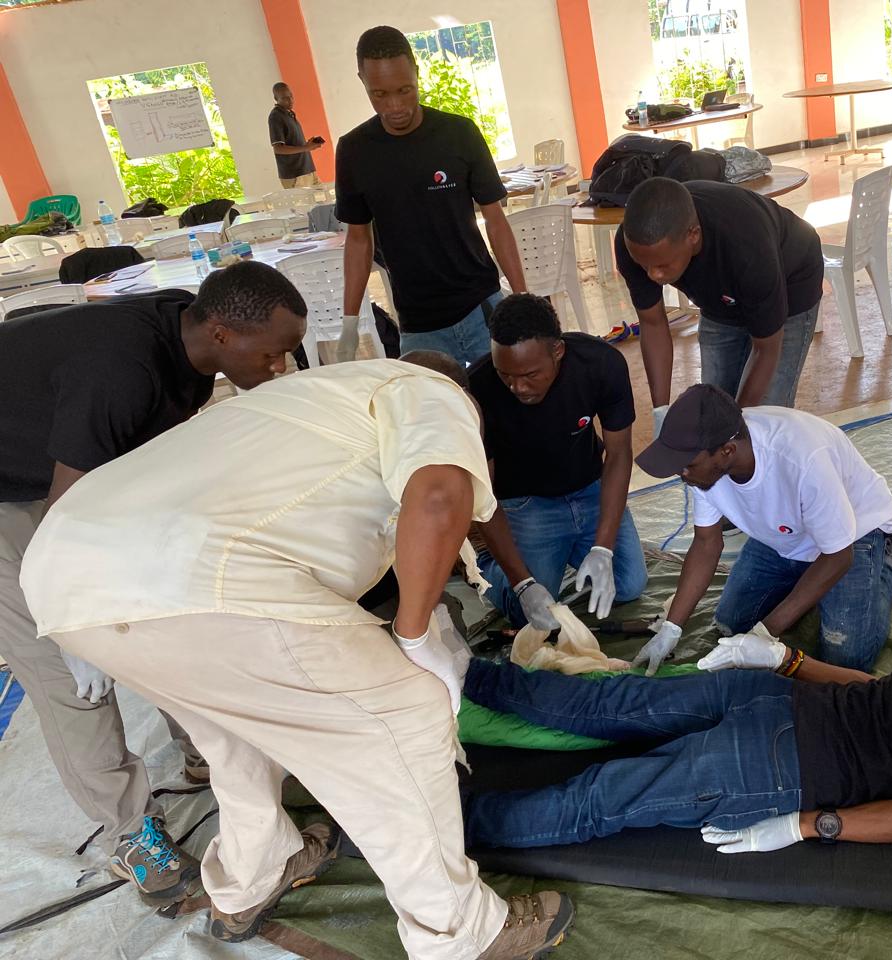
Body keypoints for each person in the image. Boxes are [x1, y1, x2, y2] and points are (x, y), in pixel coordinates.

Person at [20, 356, 573, 959]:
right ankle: (461, 933)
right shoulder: (428, 389)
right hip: (196, 579)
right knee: (403, 715)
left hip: (66, 576)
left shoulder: (305, 403)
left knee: (238, 733)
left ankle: (251, 878)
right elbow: (440, 495)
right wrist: (416, 639)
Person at [0, 262, 306, 904]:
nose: (280, 365)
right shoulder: (121, 369)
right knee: (67, 677)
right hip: (14, 495)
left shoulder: (186, 330)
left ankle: (204, 750)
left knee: (163, 615)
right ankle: (131, 833)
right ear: (223, 334)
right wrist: (74, 626)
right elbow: (62, 515)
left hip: (68, 472)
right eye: (274, 353)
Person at [463, 598, 892, 851]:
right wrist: (786, 659)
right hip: (770, 700)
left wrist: (811, 825)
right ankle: (457, 672)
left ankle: (438, 827)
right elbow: (889, 691)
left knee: (603, 796)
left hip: (787, 770)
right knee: (604, 706)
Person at [629, 384, 892, 674]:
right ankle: (806, 580)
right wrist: (671, 628)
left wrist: (763, 636)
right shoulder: (704, 465)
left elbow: (838, 557)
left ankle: (891, 556)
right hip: (782, 535)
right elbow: (707, 543)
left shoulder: (802, 458)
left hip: (854, 534)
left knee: (845, 657)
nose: (682, 474)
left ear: (727, 451)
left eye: (688, 466)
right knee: (732, 625)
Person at [336, 25, 528, 366]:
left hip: (481, 308)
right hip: (419, 325)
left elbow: (496, 221)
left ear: (417, 73)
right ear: (362, 81)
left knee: (509, 409)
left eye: (404, 90)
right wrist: (350, 323)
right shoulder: (354, 151)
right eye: (379, 94)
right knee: (435, 417)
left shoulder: (459, 134)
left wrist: (522, 298)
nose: (395, 106)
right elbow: (358, 239)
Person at [468, 294, 647, 628]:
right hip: (526, 503)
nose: (517, 387)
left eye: (530, 374)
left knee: (628, 585)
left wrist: (604, 548)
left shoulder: (600, 364)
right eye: (505, 374)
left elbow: (620, 454)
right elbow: (482, 494)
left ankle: (571, 551)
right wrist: (522, 584)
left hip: (590, 488)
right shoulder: (478, 389)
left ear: (558, 352)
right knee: (529, 612)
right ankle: (485, 560)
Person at [615, 177, 824, 427]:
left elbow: (767, 349)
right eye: (644, 265)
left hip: (791, 280)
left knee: (764, 418)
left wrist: (737, 428)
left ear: (693, 235)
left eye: (663, 265)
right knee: (713, 410)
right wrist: (661, 411)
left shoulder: (747, 250)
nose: (653, 275)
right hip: (720, 299)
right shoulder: (636, 245)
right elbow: (653, 324)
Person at [268, 82, 324, 189]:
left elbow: (294, 144)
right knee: (305, 205)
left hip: (308, 170)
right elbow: (278, 149)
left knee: (325, 201)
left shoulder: (289, 114)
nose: (290, 100)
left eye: (291, 96)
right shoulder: (275, 117)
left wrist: (307, 145)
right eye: (285, 98)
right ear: (276, 98)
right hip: (295, 175)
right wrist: (305, 147)